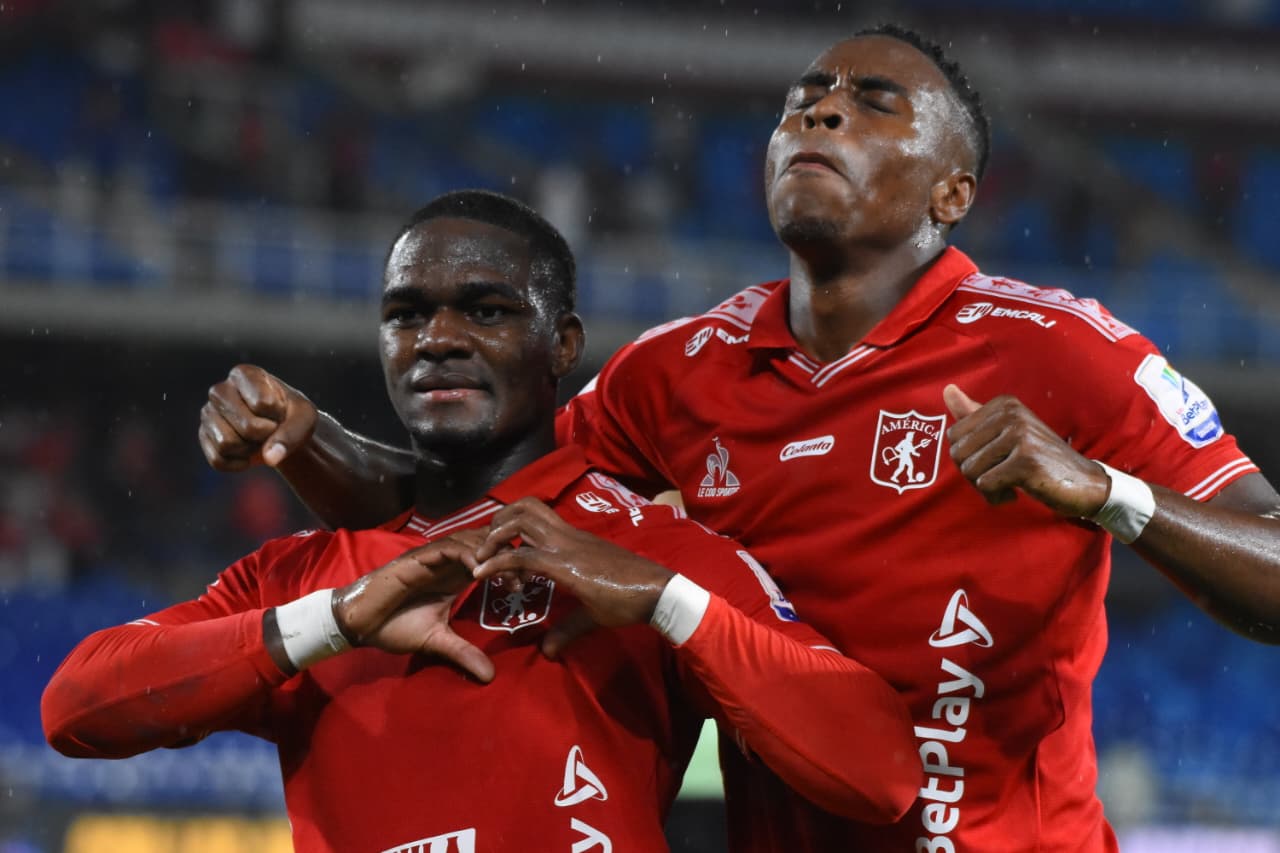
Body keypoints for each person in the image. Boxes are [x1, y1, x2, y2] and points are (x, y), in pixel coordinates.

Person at [194, 24, 1280, 853]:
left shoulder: (1061, 350)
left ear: (952, 190)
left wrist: (1105, 493)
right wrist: (304, 439)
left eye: (870, 101)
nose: (817, 114)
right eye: (802, 100)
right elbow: (454, 514)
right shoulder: (680, 370)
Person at [43, 191, 924, 853]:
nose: (437, 337)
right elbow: (77, 706)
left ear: (564, 344)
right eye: (407, 314)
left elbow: (880, 772)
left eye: (487, 309)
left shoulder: (647, 552)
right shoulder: (310, 575)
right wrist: (339, 621)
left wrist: (667, 601)